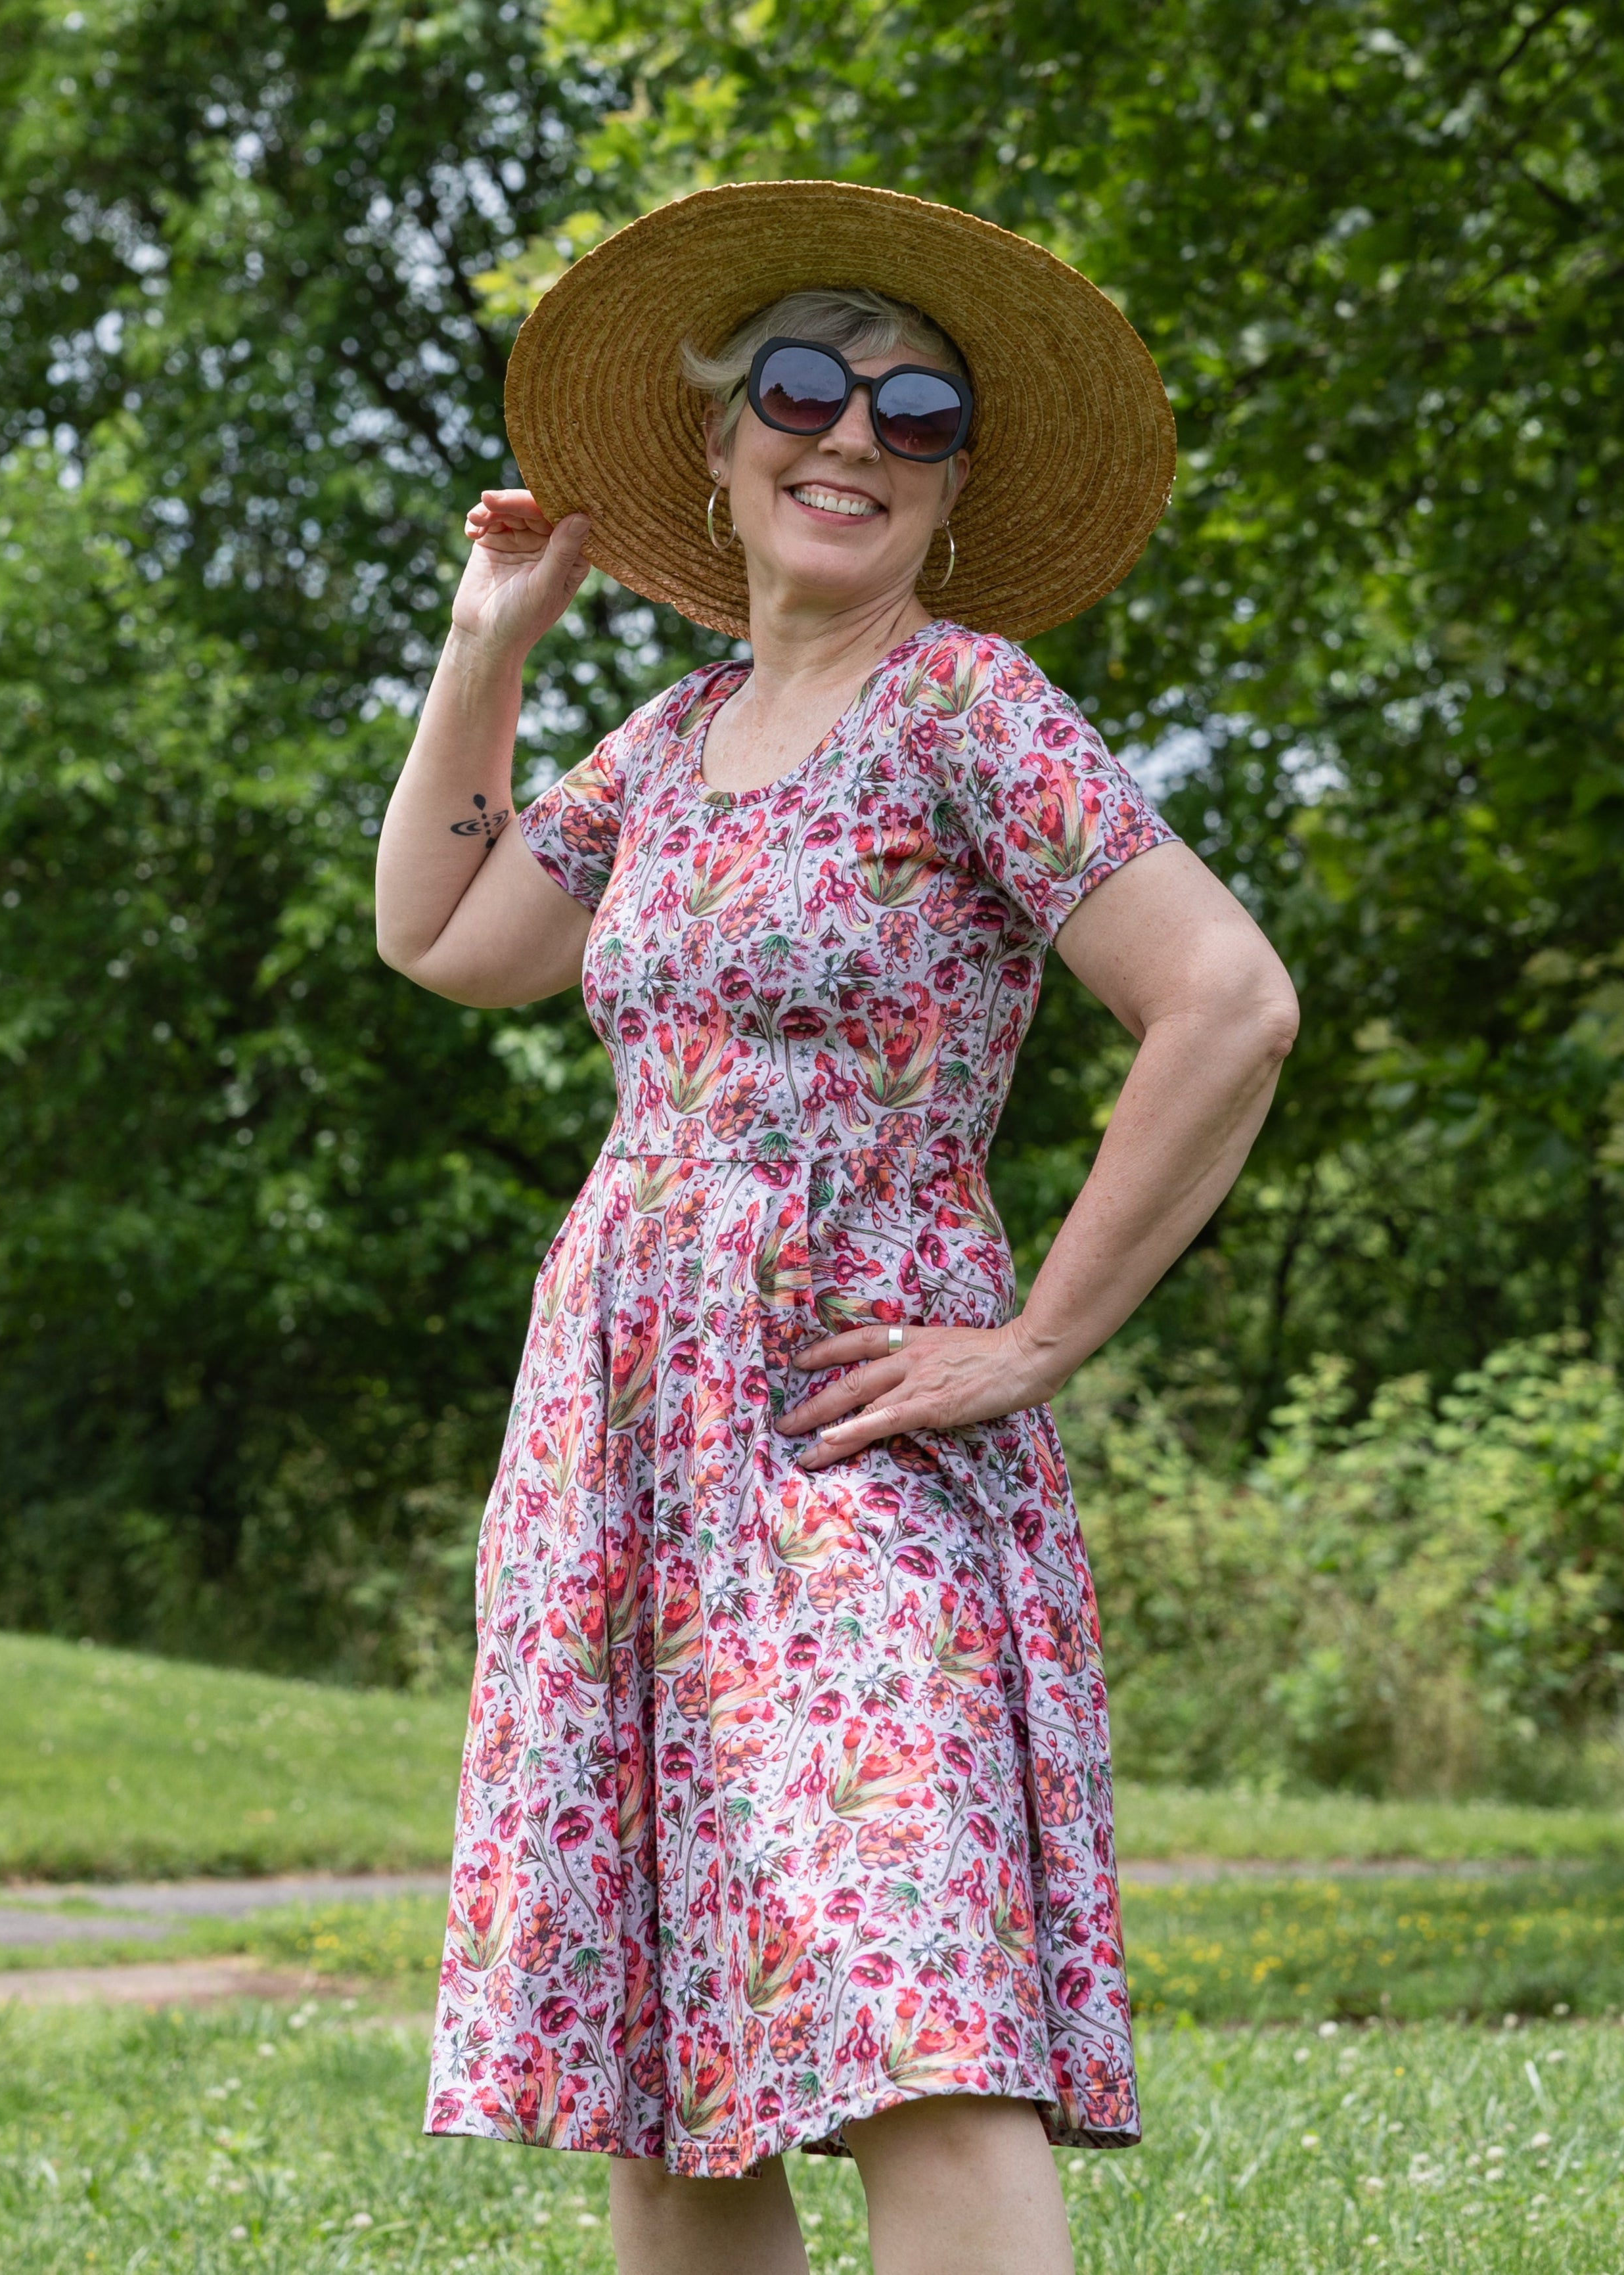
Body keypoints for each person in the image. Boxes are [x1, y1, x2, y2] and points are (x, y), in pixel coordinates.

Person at [374, 180, 1297, 2275]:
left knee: (909, 2011)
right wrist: (487, 644)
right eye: (804, 390)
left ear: (952, 490)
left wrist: (1037, 1341)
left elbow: (1228, 1003)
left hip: (847, 1423)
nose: (855, 435)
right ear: (723, 443)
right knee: (675, 2066)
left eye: (918, 414)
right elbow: (444, 933)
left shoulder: (969, 707)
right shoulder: (669, 740)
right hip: (627, 1443)